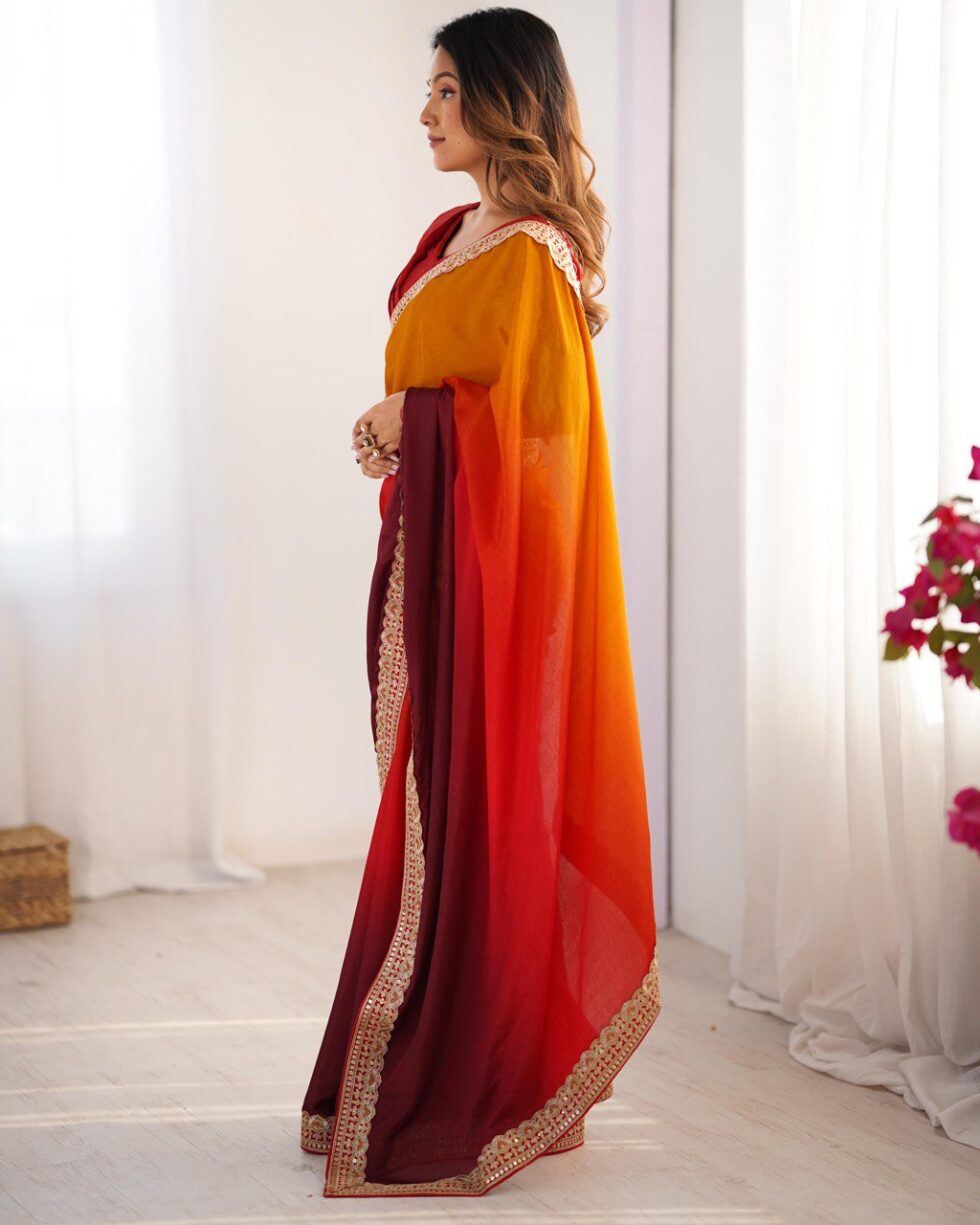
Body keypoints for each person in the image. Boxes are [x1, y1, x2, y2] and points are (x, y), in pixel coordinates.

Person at [299, 6, 661, 1197]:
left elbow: (545, 441)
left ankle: (486, 1064)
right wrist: (402, 429)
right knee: (430, 809)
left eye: (446, 89)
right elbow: (457, 386)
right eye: (429, 88)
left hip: (494, 587)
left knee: (472, 807)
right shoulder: (454, 234)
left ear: (504, 99)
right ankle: (420, 1044)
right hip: (434, 556)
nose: (425, 111)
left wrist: (416, 421)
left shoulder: (534, 255)